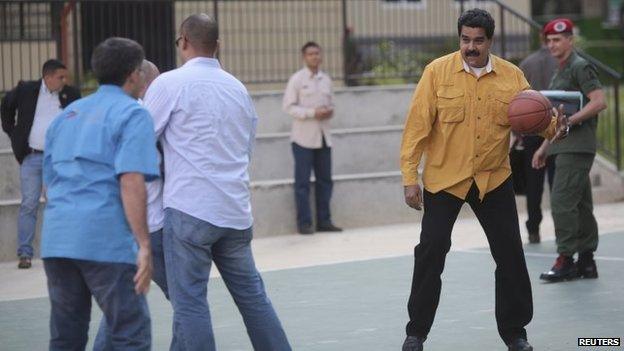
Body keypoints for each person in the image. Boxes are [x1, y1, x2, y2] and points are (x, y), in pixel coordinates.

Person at [399, 9, 568, 351]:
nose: (471, 47)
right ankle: (416, 333)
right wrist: (409, 176)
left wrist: (556, 128)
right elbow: (416, 128)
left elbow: (535, 116)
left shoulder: (511, 76)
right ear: (459, 38)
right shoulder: (436, 73)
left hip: (493, 178)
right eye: (465, 40)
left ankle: (515, 334)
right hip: (445, 178)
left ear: (490, 41)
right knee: (431, 250)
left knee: (509, 254)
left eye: (478, 41)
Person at [144, 14, 291, 350]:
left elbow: (139, 139)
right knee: (253, 298)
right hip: (235, 212)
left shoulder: (169, 84)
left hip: (190, 209)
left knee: (190, 303)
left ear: (182, 41)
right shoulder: (238, 88)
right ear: (218, 46)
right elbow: (246, 146)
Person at [41, 37, 159, 350]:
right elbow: (131, 179)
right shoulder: (133, 114)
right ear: (134, 74)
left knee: (66, 336)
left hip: (58, 239)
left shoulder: (66, 116)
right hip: (104, 240)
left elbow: (49, 183)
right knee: (130, 334)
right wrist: (144, 244)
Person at [93, 59, 170, 350]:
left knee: (123, 300)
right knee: (186, 300)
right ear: (146, 82)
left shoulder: (104, 115)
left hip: (121, 223)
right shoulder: (142, 116)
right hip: (151, 224)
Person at [534, 18, 607, 282]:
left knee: (562, 202)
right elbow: (557, 119)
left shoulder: (579, 66)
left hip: (576, 147)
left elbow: (599, 102)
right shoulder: (559, 71)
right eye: (549, 40)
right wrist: (544, 147)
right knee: (581, 205)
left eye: (557, 40)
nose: (552, 45)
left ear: (570, 40)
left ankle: (565, 260)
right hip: (564, 146)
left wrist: (571, 122)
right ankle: (587, 262)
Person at [0, 59, 81, 269]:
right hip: (32, 156)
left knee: (57, 202)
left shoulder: (70, 94)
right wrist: (13, 132)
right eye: (60, 77)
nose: (65, 81)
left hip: (58, 158)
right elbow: (6, 107)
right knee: (29, 204)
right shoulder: (26, 89)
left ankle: (61, 251)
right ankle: (25, 253)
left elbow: (78, 121)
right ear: (47, 77)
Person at [283, 41, 342, 235]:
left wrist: (328, 111)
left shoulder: (326, 79)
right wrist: (311, 112)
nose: (315, 57)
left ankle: (324, 221)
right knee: (302, 183)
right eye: (310, 54)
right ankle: (304, 224)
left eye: (317, 53)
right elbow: (289, 107)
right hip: (303, 140)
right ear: (304, 57)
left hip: (324, 138)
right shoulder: (297, 80)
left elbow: (331, 103)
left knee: (325, 181)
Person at [518, 40, 558, 243]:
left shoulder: (526, 63)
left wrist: (517, 133)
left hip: (531, 128)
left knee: (533, 186)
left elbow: (519, 99)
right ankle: (561, 228)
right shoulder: (560, 62)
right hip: (554, 127)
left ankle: (533, 229)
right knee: (556, 183)